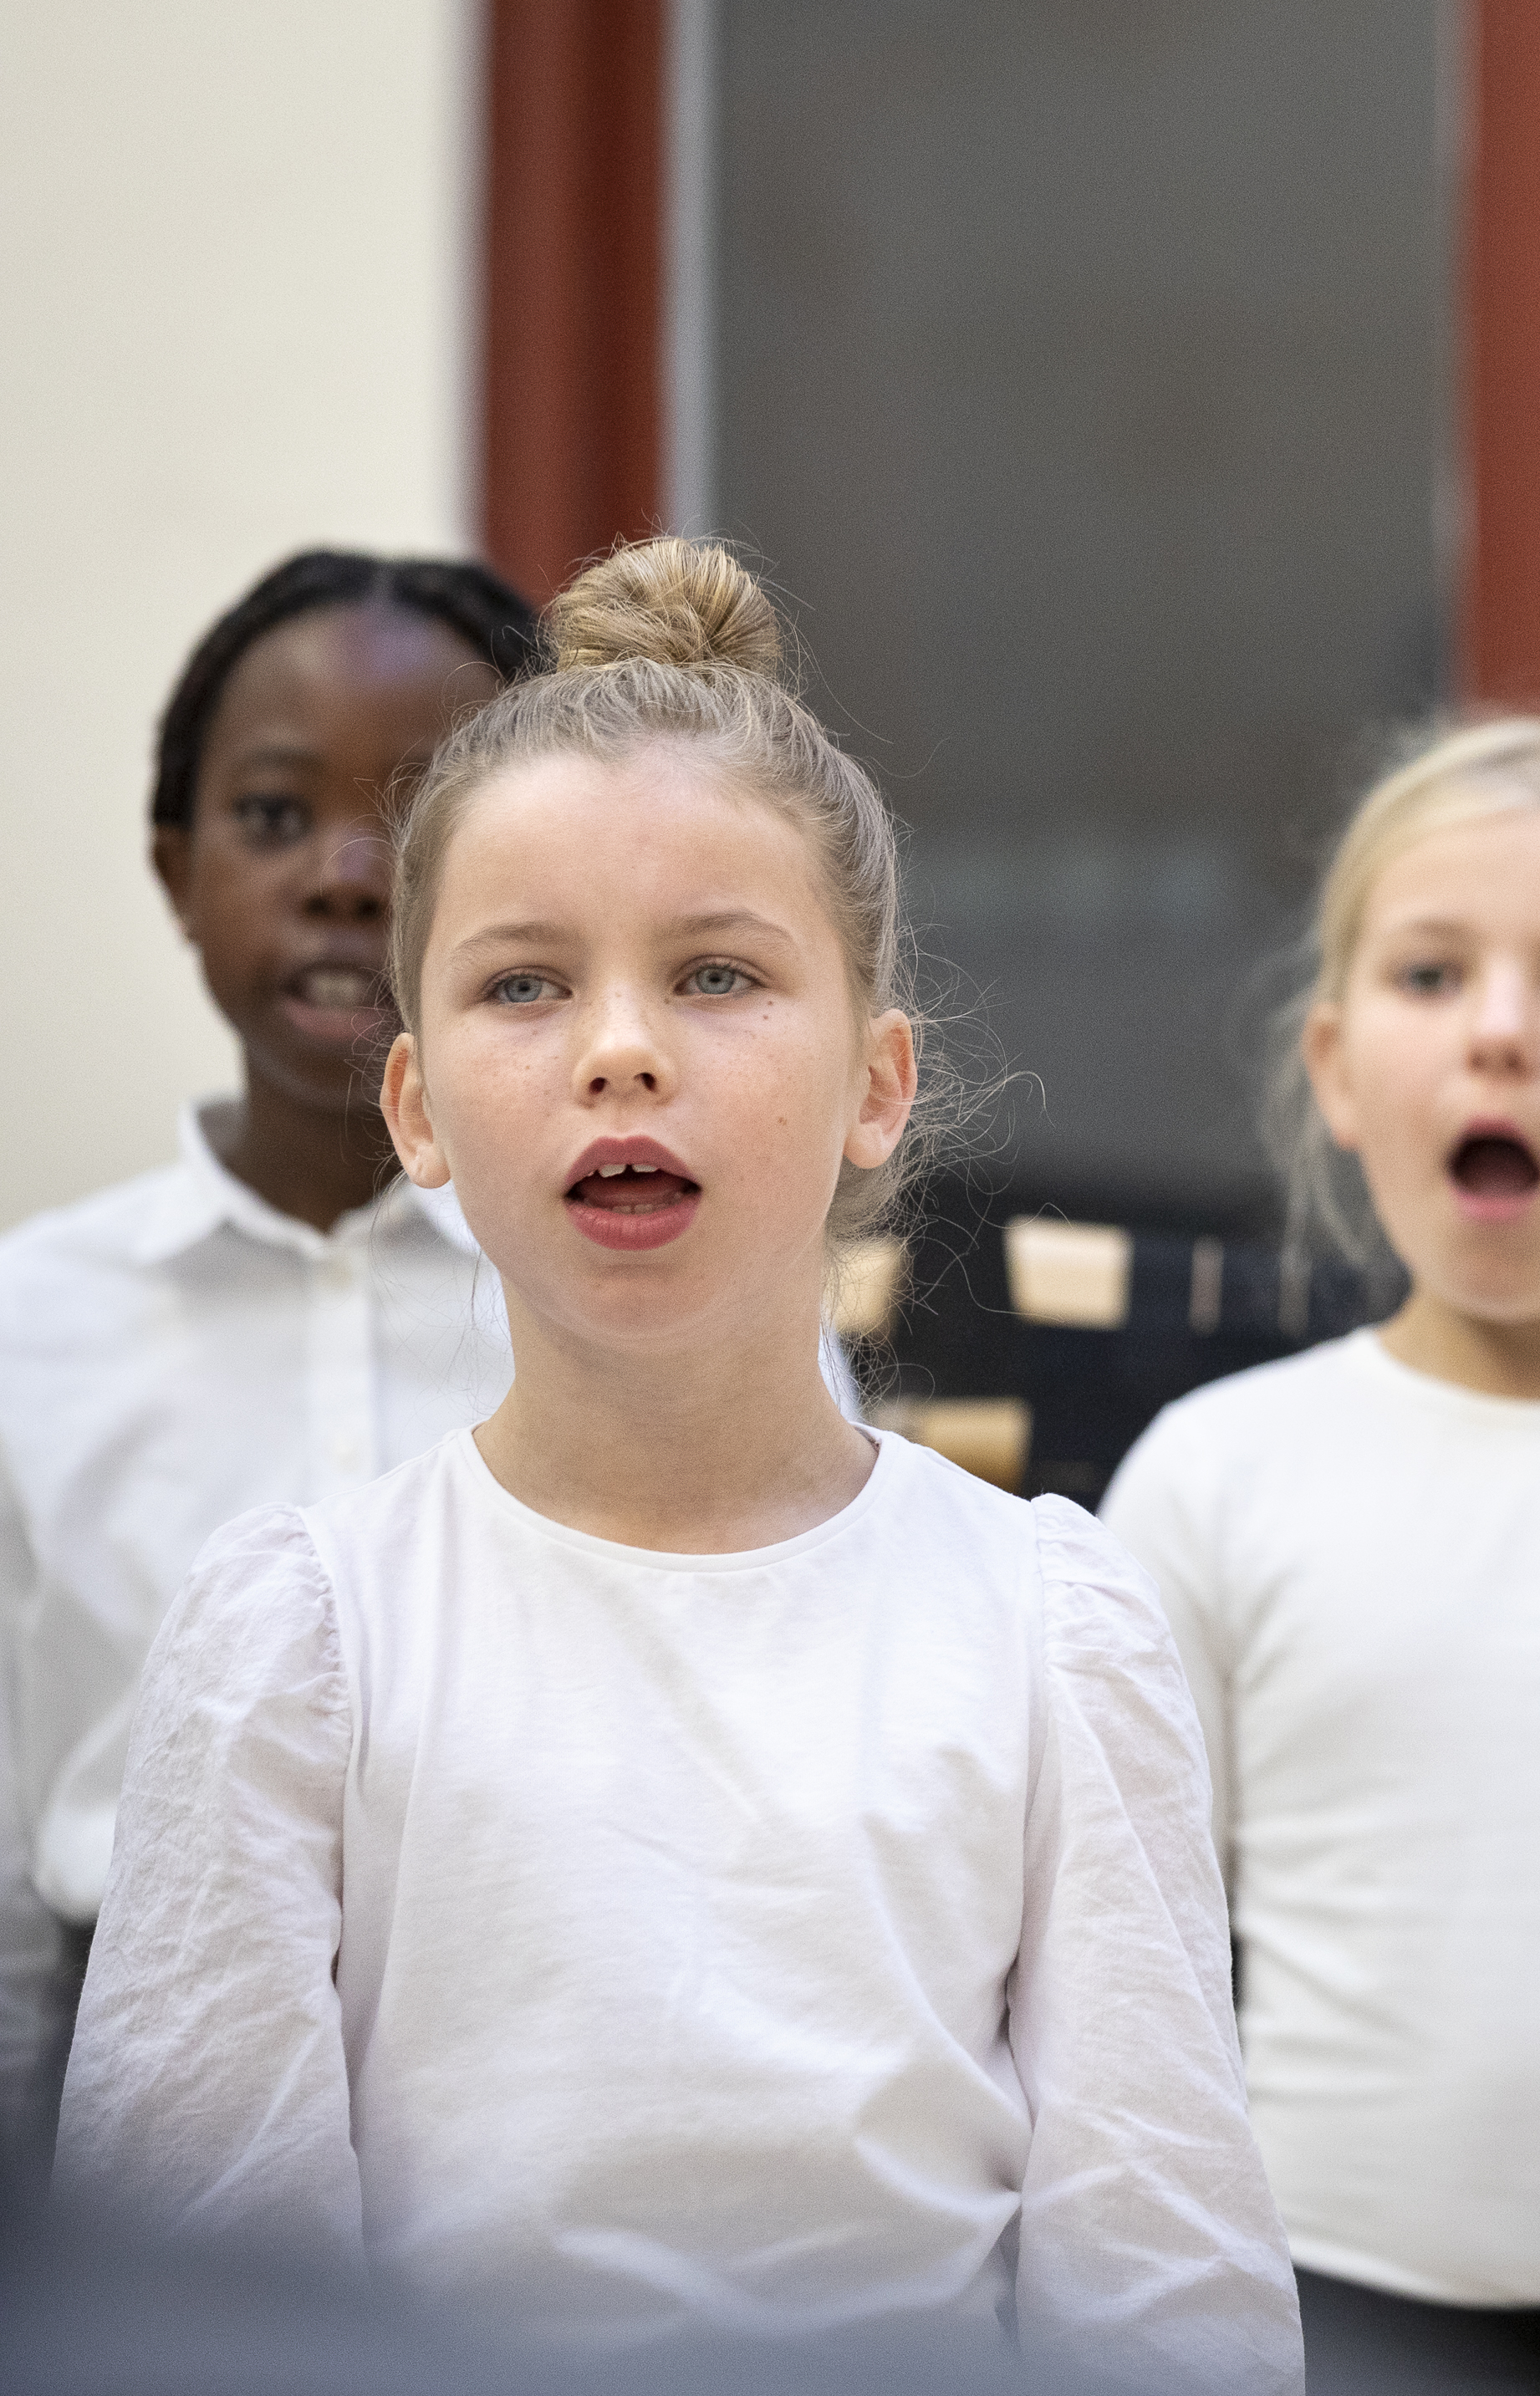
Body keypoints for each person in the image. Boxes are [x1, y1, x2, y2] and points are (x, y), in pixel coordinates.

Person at [54, 538, 1300, 2388]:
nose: (623, 1049)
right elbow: (203, 2310)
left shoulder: (1044, 1622)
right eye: (524, 985)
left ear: (879, 1080)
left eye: (717, 972)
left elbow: (1166, 2297)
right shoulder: (303, 1634)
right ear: (417, 1106)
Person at [1104, 717, 1540, 2396]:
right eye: (1430, 975)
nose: (1497, 1033)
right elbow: (1117, 1979)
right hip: (1316, 2319)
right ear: (1337, 1067)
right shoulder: (1217, 1477)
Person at [0, 549, 538, 2171]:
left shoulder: (646, 1290)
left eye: (422, 816)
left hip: (555, 2091)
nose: (347, 872)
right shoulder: (35, 1322)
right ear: (175, 871)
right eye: (273, 814)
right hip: (133, 2118)